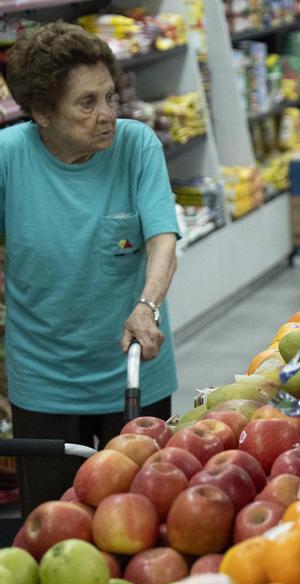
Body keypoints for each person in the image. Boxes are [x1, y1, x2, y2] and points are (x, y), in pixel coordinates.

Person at [1, 23, 178, 463]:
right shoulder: (8, 156)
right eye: (87, 103)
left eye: (109, 96)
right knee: (49, 522)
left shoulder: (136, 146)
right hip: (43, 383)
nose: (107, 114)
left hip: (136, 370)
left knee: (141, 516)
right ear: (42, 112)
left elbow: (162, 239)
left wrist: (147, 306)